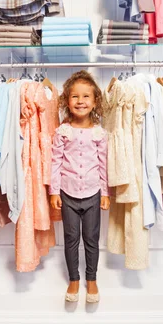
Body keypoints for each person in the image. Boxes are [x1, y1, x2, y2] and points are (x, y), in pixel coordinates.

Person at [50, 70, 110, 303]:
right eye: (75, 96)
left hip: (93, 194)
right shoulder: (62, 132)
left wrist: (105, 193)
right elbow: (55, 162)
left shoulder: (99, 133)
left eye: (86, 96)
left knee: (91, 239)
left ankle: (91, 279)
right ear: (67, 100)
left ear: (95, 102)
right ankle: (74, 279)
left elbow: (104, 164)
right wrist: (54, 191)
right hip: (68, 194)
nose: (80, 101)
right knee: (71, 238)